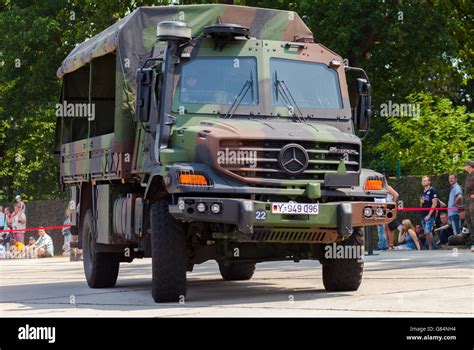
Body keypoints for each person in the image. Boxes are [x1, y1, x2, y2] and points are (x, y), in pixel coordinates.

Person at [420, 176, 439, 250]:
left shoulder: (432, 191)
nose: (423, 182)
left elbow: (434, 203)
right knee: (426, 232)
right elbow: (422, 204)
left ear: (429, 182)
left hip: (429, 214)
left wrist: (429, 215)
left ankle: (431, 247)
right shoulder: (423, 192)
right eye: (422, 181)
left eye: (425, 181)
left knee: (428, 231)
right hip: (423, 214)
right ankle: (431, 246)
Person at [384, 179, 399, 250]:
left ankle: (391, 245)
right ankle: (388, 245)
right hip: (383, 209)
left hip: (389, 208)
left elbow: (396, 195)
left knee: (390, 228)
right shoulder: (381, 187)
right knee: (386, 228)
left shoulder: (387, 187)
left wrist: (392, 204)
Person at [464, 160, 474, 252]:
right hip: (468, 202)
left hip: (473, 202)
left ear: (470, 166)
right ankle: (473, 242)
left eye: (465, 165)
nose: (464, 167)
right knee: (469, 221)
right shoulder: (468, 176)